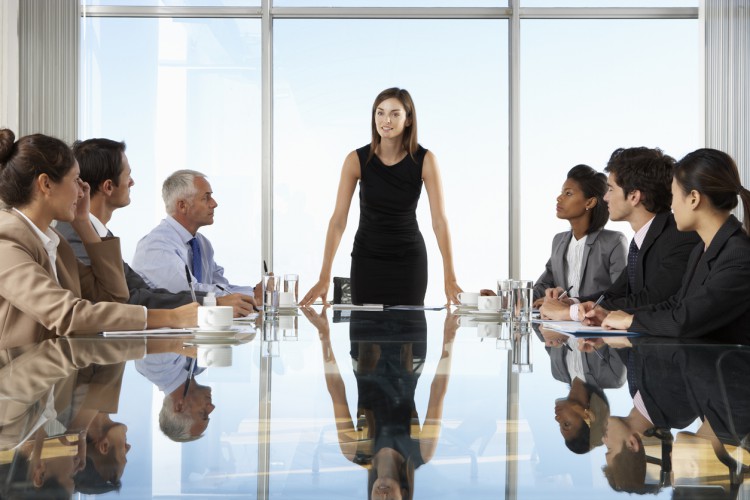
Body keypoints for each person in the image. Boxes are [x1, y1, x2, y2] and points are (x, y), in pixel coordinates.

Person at [0, 129, 197, 349]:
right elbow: (67, 315)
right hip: (15, 378)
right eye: (76, 180)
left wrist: (84, 224)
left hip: (53, 376)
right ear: (46, 184)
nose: (82, 192)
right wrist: (170, 318)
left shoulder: (54, 243)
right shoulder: (6, 243)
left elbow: (113, 297)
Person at [300, 88, 462, 306]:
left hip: (409, 262)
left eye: (395, 114)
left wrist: (450, 278)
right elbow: (338, 221)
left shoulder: (425, 160)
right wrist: (324, 277)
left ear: (408, 119)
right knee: (364, 334)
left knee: (409, 334)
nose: (386, 120)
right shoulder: (355, 160)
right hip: (367, 261)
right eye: (380, 112)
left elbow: (440, 222)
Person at [56, 138, 255, 317]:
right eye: (128, 175)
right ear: (108, 187)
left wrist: (216, 302)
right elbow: (123, 301)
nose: (132, 182)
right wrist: (213, 304)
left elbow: (143, 292)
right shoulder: (75, 235)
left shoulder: (101, 234)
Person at [600, 148, 750, 342]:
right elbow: (675, 304)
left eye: (674, 195)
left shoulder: (739, 254)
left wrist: (630, 320)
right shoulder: (701, 249)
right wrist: (611, 314)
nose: (671, 205)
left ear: (694, 199)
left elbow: (686, 320)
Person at [540, 147, 700, 322]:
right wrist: (571, 302)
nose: (605, 198)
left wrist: (572, 312)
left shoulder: (680, 236)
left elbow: (652, 299)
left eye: (610, 189)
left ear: (634, 196)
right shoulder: (642, 239)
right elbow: (614, 294)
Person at [132, 169, 260, 304]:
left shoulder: (202, 243)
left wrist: (254, 292)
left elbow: (222, 288)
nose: (214, 203)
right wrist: (252, 295)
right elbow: (191, 293)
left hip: (199, 322)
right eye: (206, 198)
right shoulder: (155, 246)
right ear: (182, 206)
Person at [531, 164, 627, 307]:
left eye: (568, 193)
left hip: (597, 324)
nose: (559, 198)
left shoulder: (614, 242)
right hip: (561, 324)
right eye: (562, 192)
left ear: (589, 202)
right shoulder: (559, 240)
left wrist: (572, 304)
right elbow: (543, 286)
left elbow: (621, 293)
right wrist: (506, 300)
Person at [135, 354, 215, 441]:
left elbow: (179, 341)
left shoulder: (153, 367)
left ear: (179, 406)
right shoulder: (199, 367)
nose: (211, 407)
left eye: (203, 413)